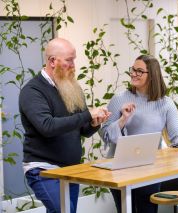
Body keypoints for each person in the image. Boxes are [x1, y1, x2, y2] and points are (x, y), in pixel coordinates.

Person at [99, 55, 178, 213]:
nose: (134, 74)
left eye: (139, 71)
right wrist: (122, 119)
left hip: (151, 168)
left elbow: (177, 136)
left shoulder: (166, 103)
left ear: (152, 75)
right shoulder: (119, 99)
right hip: (120, 169)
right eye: (133, 70)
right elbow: (105, 134)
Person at [19, 38, 111, 213]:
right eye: (69, 60)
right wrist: (87, 114)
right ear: (52, 61)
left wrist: (94, 123)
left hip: (70, 169)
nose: (73, 65)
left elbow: (82, 130)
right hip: (43, 169)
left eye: (74, 59)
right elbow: (47, 126)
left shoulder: (71, 87)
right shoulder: (32, 91)